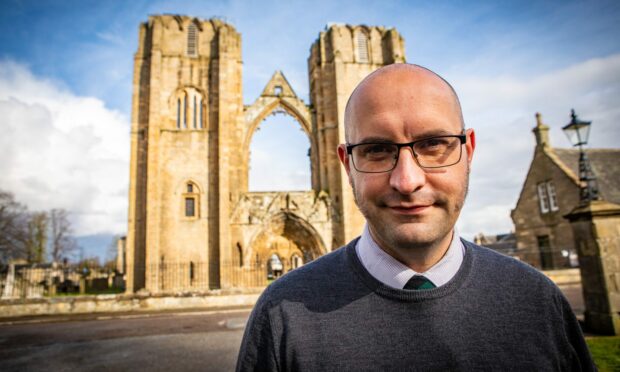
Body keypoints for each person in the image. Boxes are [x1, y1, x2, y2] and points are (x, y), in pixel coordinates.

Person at [236, 64, 595, 371]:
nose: (407, 181)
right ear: (346, 164)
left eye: (433, 144)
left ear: (468, 151)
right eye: (376, 149)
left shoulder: (538, 302)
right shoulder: (280, 315)